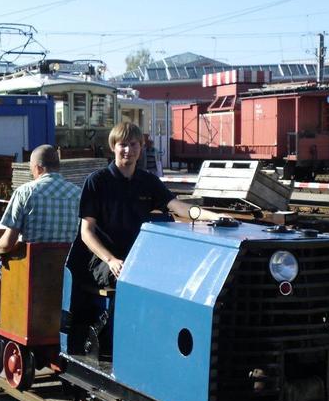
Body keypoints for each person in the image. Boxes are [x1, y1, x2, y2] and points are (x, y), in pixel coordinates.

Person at [78, 121, 226, 289]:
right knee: (133, 278)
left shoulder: (148, 181)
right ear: (113, 146)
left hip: (140, 258)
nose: (128, 150)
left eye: (133, 144)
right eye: (123, 145)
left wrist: (215, 217)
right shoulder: (97, 181)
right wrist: (111, 260)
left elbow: (177, 206)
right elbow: (86, 232)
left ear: (141, 147)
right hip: (105, 261)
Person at [0, 145, 81, 269]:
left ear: (37, 168)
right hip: (68, 268)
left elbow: (7, 244)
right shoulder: (78, 193)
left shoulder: (25, 192)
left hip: (33, 268)